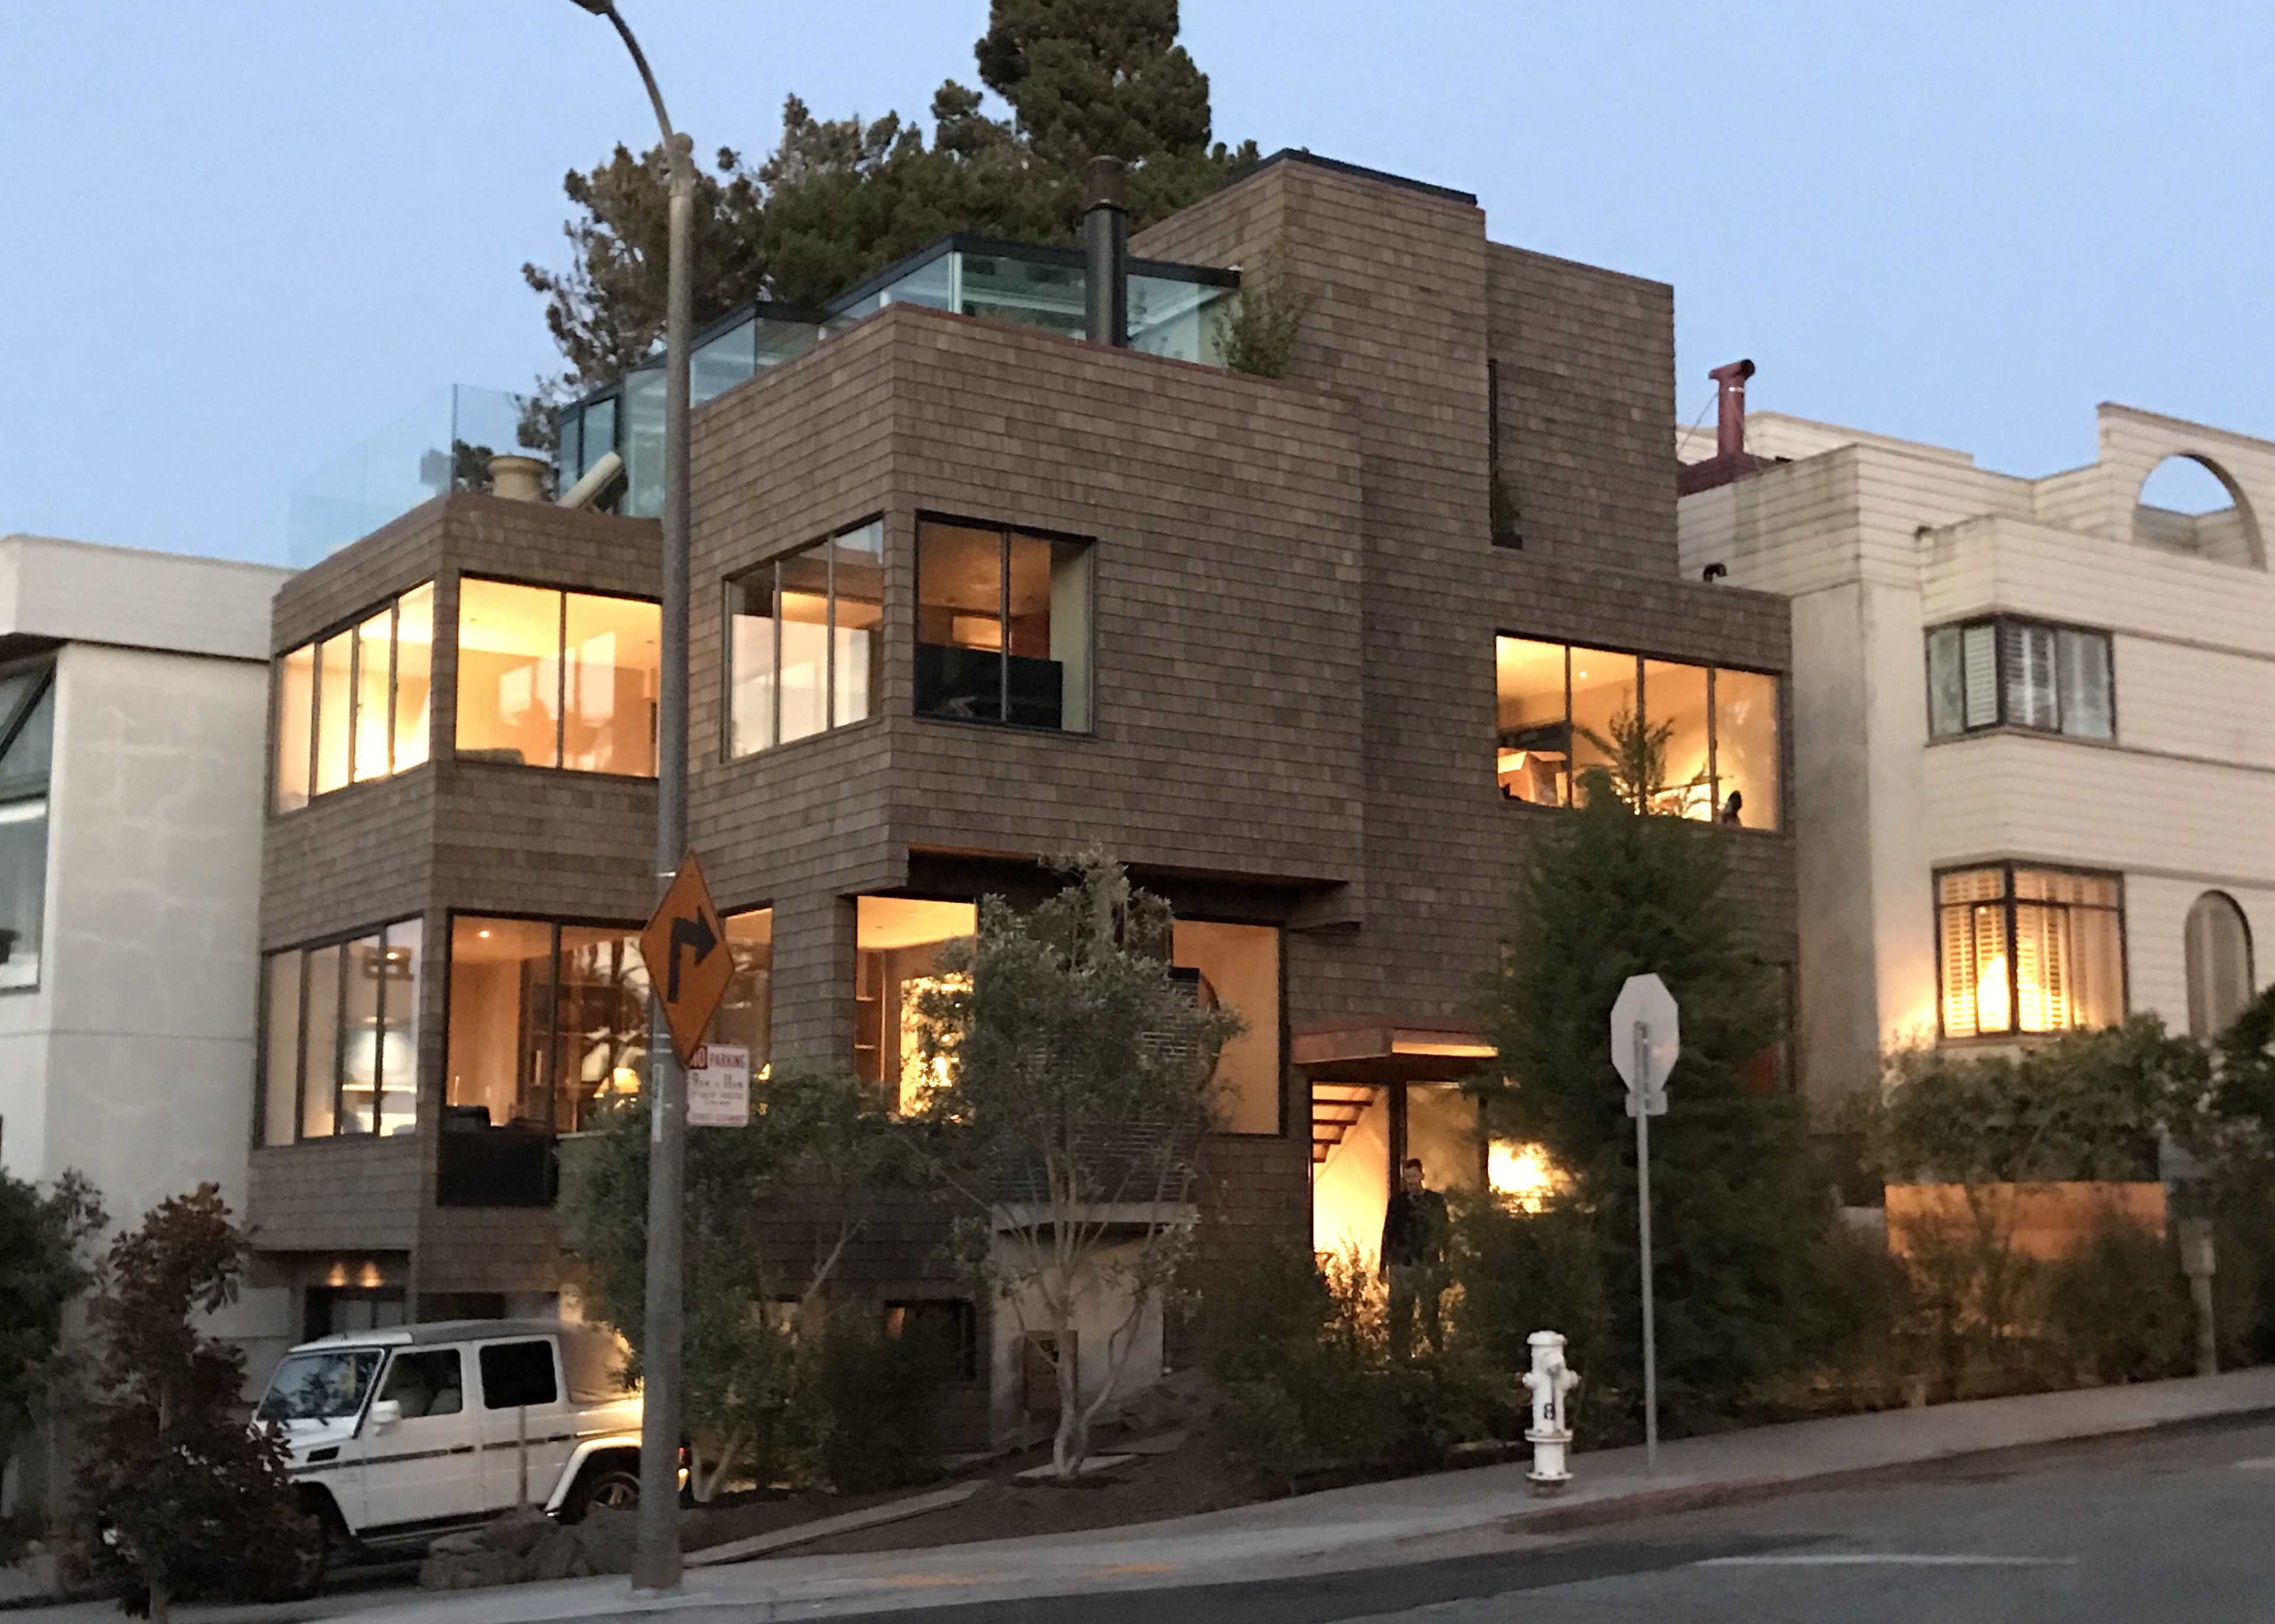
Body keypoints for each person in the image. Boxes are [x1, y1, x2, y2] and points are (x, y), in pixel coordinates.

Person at [1380, 1157, 1450, 1360]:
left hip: (1427, 1263)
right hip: (1403, 1263)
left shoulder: (1435, 1202)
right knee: (1401, 1313)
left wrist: (1446, 1262)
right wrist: (1384, 1264)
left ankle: (1437, 1354)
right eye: (1407, 1177)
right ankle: (1400, 1356)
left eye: (1413, 1176)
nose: (1410, 1181)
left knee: (1430, 1313)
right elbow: (1388, 1233)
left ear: (1422, 1175)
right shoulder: (1398, 1202)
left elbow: (1444, 1233)